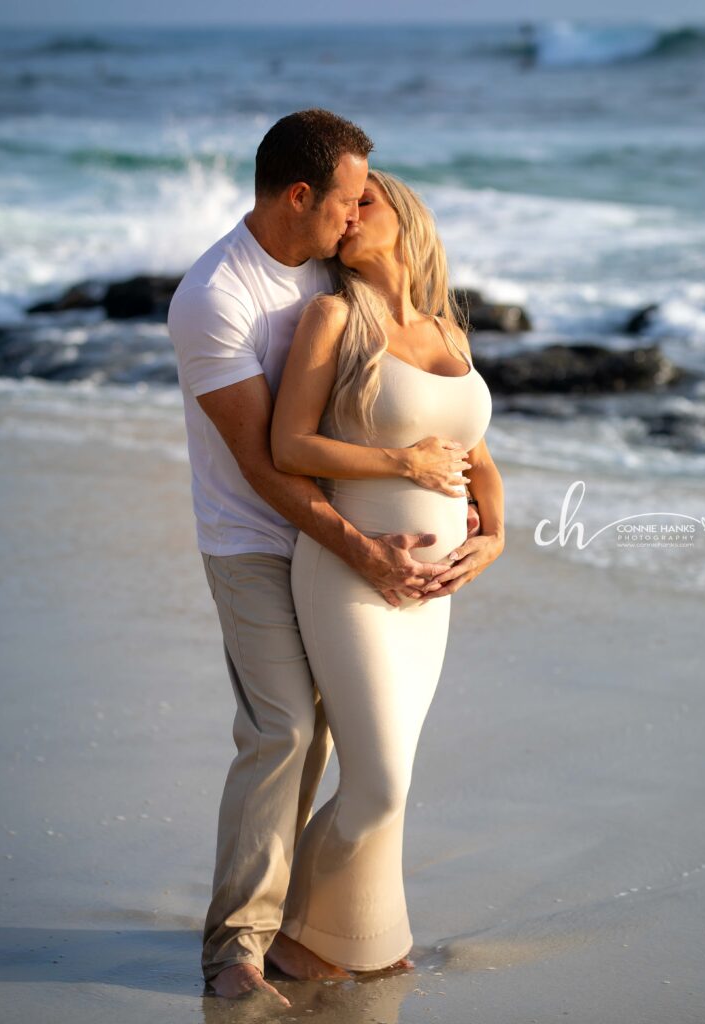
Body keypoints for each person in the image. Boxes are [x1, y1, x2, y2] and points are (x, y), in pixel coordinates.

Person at [167, 110, 476, 1006]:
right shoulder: (215, 298)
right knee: (284, 733)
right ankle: (236, 947)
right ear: (299, 196)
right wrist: (367, 543)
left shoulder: (329, 277)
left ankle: (318, 929)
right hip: (257, 538)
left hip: (343, 542)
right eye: (345, 201)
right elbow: (266, 463)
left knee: (348, 743)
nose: (355, 217)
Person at [269, 169, 505, 971]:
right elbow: (288, 446)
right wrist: (399, 461)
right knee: (378, 782)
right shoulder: (332, 317)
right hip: (349, 574)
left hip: (432, 593)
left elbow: (479, 462)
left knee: (392, 771)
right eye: (339, 204)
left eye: (361, 201)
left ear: (403, 215)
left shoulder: (448, 332)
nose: (344, 216)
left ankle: (348, 939)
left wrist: (496, 536)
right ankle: (283, 926)